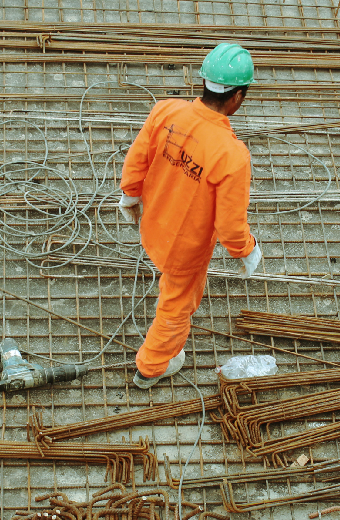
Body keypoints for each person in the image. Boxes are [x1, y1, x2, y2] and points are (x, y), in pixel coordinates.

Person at [118, 43, 262, 389]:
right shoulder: (232, 156)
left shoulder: (166, 111)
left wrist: (130, 196)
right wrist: (247, 250)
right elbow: (229, 225)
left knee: (170, 286)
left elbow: (137, 158)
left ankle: (155, 359)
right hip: (184, 248)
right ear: (237, 97)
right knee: (176, 306)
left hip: (153, 224)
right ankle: (151, 367)